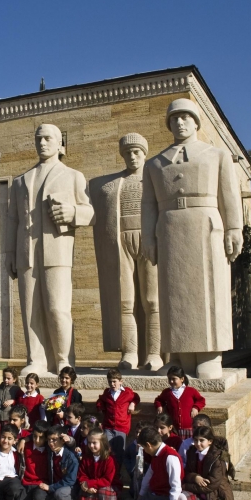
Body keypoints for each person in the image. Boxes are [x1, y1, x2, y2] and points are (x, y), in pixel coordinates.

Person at [141, 98, 243, 380]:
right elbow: (147, 205)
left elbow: (229, 195)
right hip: (170, 228)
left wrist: (235, 228)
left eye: (186, 118)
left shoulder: (216, 155)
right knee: (175, 293)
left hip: (206, 227)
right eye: (174, 119)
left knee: (208, 291)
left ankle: (210, 354)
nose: (180, 123)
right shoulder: (155, 164)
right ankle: (183, 355)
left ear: (196, 122)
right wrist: (148, 236)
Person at [6, 123, 95, 376]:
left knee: (57, 307)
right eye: (38, 139)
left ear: (59, 143)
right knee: (31, 310)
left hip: (57, 250)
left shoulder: (73, 176)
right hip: (27, 252)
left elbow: (90, 213)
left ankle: (63, 358)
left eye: (47, 139)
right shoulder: (21, 180)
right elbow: (12, 220)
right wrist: (10, 254)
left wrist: (72, 212)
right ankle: (36, 358)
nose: (42, 143)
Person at [90, 132, 162, 370]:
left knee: (152, 300)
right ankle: (129, 352)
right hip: (121, 240)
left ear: (144, 153)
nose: (132, 156)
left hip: (149, 240)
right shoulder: (112, 183)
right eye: (128, 153)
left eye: (137, 152)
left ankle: (154, 353)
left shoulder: (154, 179)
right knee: (125, 301)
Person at [177, 426, 235, 500]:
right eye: (195, 440)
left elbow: (210, 486)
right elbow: (187, 472)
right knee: (180, 498)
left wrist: (186, 487)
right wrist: (195, 477)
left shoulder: (218, 459)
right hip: (199, 494)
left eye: (201, 440)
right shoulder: (192, 452)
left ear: (210, 441)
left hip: (215, 496)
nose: (198, 443)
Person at [130, 426, 183, 500]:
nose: (145, 451)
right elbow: (148, 477)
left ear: (149, 445)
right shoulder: (155, 455)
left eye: (144, 448)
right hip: (152, 493)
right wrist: (141, 496)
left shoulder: (170, 457)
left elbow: (175, 486)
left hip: (164, 497)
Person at [96, 369, 140, 465]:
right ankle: (108, 470)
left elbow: (136, 397)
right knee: (107, 449)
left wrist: (132, 403)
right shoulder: (107, 393)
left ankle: (118, 473)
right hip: (108, 425)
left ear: (121, 381)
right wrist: (101, 408)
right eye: (110, 382)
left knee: (120, 452)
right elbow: (100, 400)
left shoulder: (127, 392)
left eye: (114, 381)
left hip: (122, 426)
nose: (112, 384)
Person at [78, 427, 121, 500]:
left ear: (103, 443)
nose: (91, 445)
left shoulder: (109, 459)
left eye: (94, 443)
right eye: (89, 443)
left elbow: (107, 480)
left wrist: (90, 484)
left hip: (108, 486)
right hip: (91, 484)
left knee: (102, 491)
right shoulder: (87, 457)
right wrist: (84, 483)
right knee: (82, 490)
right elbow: (82, 473)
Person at [39, 425, 79, 500]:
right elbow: (37, 432)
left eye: (54, 439)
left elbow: (70, 481)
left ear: (62, 440)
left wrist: (50, 488)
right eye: (49, 440)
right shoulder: (51, 452)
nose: (50, 443)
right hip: (56, 487)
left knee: (60, 494)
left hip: (70, 489)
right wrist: (24, 440)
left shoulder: (71, 457)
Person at [155, 366, 205, 438]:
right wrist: (159, 406)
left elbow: (201, 400)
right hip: (174, 429)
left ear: (182, 379)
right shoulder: (167, 392)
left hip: (188, 429)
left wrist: (196, 407)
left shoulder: (191, 391)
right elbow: (158, 400)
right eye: (169, 379)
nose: (171, 381)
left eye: (174, 379)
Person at [21, 420, 50, 500]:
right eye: (34, 436)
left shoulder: (50, 449)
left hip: (41, 484)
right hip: (26, 483)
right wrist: (23, 440)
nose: (37, 440)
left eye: (41, 437)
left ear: (46, 438)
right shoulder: (26, 446)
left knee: (39, 498)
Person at [123, 420, 149, 498]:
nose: (137, 435)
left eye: (140, 433)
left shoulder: (148, 447)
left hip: (146, 475)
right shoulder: (131, 446)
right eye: (136, 432)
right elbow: (126, 456)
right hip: (134, 474)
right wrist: (130, 467)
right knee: (134, 491)